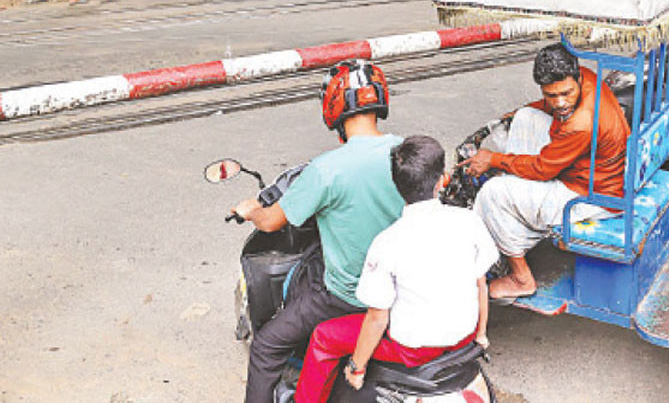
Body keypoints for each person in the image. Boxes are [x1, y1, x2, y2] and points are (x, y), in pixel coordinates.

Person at [231, 60, 406, 403]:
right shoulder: (407, 153)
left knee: (266, 346)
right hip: (403, 291)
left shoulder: (325, 170)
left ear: (334, 106)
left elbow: (271, 222)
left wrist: (251, 210)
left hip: (345, 298)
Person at [293, 136, 498, 403]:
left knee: (323, 337)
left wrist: (357, 367)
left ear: (397, 185)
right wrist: (480, 335)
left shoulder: (387, 242)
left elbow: (377, 318)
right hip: (465, 338)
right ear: (442, 179)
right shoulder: (468, 220)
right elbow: (480, 283)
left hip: (414, 351)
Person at [464, 44, 630, 299]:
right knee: (526, 116)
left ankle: (521, 278)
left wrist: (494, 159)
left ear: (575, 79)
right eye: (551, 95)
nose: (560, 103)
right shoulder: (586, 77)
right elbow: (545, 108)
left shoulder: (581, 124)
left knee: (492, 192)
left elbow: (542, 168)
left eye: (566, 93)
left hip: (593, 196)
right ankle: (514, 216)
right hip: (596, 173)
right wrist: (520, 112)